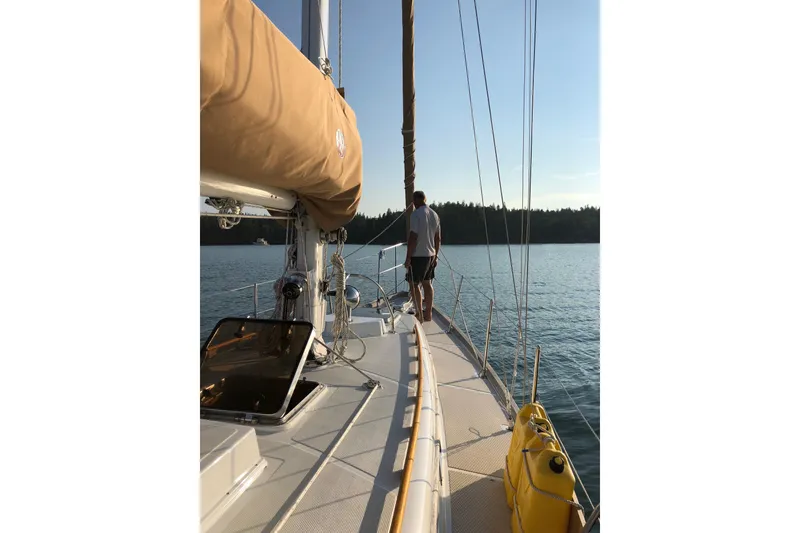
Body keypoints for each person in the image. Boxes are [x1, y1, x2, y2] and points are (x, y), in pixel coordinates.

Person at [404, 191, 440, 322]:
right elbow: (438, 238)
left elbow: (413, 237)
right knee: (427, 283)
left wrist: (408, 258)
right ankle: (428, 313)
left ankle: (419, 314)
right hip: (431, 255)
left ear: (415, 200)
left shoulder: (416, 215)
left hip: (418, 255)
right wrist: (436, 256)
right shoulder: (435, 215)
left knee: (413, 285)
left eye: (413, 201)